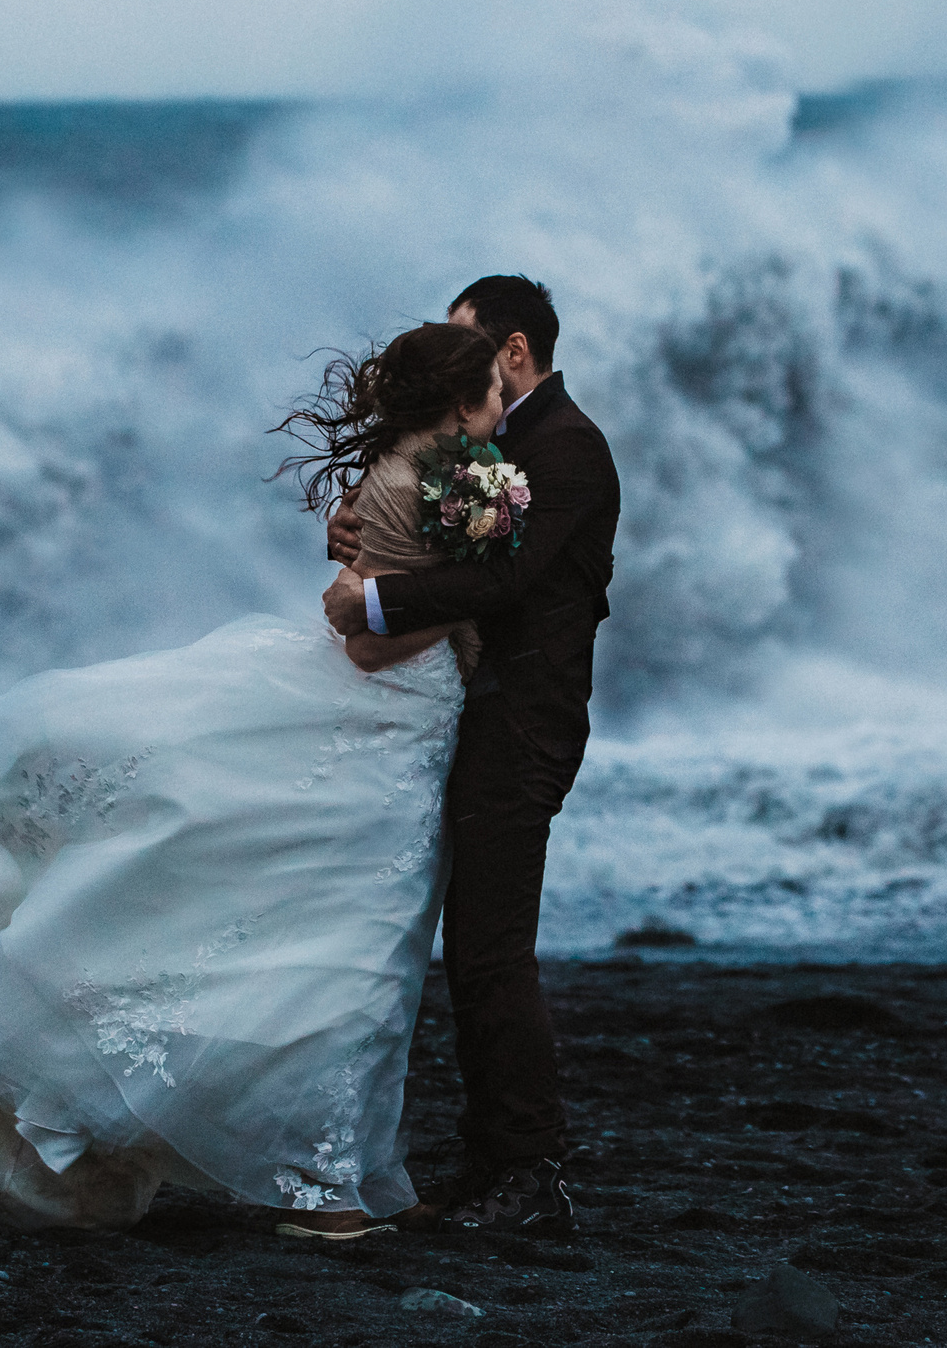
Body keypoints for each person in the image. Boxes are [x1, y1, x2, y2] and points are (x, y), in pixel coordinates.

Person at [0, 321, 505, 1238]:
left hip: (402, 738)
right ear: (460, 405)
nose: (501, 409)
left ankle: (332, 1177)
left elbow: (378, 596)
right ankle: (323, 1192)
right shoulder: (415, 483)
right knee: (361, 951)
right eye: (491, 393)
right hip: (380, 729)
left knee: (361, 949)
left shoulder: (432, 481)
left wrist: (446, 586)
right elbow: (367, 644)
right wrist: (467, 600)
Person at [322, 275, 619, 1235]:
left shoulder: (566, 448)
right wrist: (364, 543)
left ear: (517, 351)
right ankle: (494, 1161)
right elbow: (436, 538)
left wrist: (370, 602)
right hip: (468, 714)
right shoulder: (487, 444)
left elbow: (511, 578)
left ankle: (531, 1172)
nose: (456, 367)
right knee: (471, 955)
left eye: (471, 349)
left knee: (493, 951)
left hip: (525, 720)